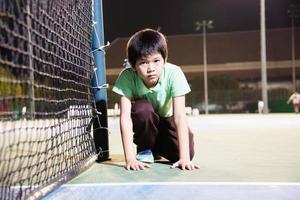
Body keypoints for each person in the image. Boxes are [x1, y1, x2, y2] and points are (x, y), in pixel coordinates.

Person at [112, 28, 197, 171]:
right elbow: (125, 118)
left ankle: (156, 147)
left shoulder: (174, 73)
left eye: (156, 60)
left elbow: (180, 116)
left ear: (165, 60)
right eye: (143, 62)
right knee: (143, 109)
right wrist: (130, 159)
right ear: (133, 65)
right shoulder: (127, 77)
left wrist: (184, 158)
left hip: (167, 120)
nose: (151, 68)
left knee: (186, 153)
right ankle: (145, 147)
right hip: (146, 121)